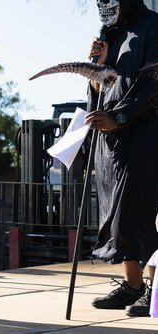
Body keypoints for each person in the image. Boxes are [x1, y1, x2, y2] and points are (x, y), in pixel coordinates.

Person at [84, 0, 158, 317]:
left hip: (145, 134)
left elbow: (155, 83)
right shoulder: (112, 36)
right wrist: (95, 71)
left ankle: (154, 293)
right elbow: (106, 86)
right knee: (119, 218)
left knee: (143, 214)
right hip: (112, 140)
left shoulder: (154, 27)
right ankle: (133, 286)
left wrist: (122, 117)